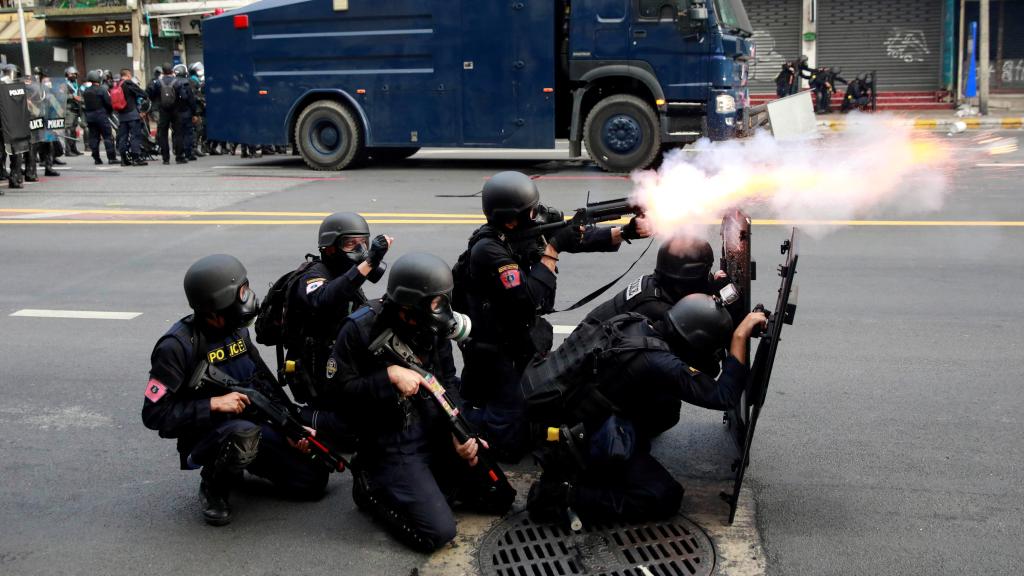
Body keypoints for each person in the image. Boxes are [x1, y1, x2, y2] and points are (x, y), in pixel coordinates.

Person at [524, 295, 767, 525]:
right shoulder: (658, 361)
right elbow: (723, 396)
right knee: (664, 497)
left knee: (666, 408)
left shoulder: (635, 321)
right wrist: (739, 336)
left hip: (562, 418)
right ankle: (563, 495)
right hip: (574, 440)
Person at [458, 170, 650, 460]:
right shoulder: (489, 250)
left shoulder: (519, 230)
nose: (536, 215)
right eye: (530, 211)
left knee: (530, 412)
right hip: (495, 351)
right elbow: (528, 298)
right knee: (509, 447)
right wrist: (553, 248)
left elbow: (575, 237)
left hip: (517, 338)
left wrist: (623, 231)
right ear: (510, 219)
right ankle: (466, 433)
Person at [327, 252, 512, 552]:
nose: (442, 308)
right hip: (392, 440)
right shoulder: (360, 330)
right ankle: (369, 486)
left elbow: (449, 381)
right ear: (407, 306)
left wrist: (460, 430)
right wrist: (387, 378)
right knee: (438, 533)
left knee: (499, 497)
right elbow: (337, 392)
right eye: (435, 301)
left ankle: (433, 484)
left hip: (434, 425)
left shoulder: (432, 326)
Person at [142, 254, 329, 526]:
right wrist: (214, 405)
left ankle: (247, 459)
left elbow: (264, 381)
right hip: (209, 434)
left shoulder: (236, 331)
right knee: (242, 434)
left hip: (252, 425)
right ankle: (214, 485)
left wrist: (292, 426)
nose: (248, 297)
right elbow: (154, 414)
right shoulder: (177, 346)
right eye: (240, 293)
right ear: (215, 307)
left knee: (313, 482)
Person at [279, 212, 390, 448]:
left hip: (346, 360)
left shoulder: (349, 275)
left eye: (364, 243)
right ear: (330, 248)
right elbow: (325, 298)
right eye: (351, 243)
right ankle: (300, 418)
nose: (360, 249)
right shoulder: (312, 275)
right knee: (355, 430)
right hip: (319, 369)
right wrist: (368, 262)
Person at [577, 236, 726, 331]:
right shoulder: (660, 311)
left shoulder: (655, 284)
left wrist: (710, 285)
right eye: (705, 274)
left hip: (584, 345)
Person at [149, 63, 186, 165]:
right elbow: (184, 96)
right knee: (178, 133)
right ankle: (179, 157)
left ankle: (166, 159)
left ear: (163, 72)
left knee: (163, 134)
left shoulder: (158, 82)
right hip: (176, 110)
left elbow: (151, 94)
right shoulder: (177, 82)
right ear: (172, 71)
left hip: (163, 111)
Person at [115, 69, 149, 166]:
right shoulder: (128, 83)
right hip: (132, 114)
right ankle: (136, 158)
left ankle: (123, 159)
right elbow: (142, 93)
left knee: (123, 137)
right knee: (135, 136)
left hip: (121, 115)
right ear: (128, 75)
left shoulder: (117, 84)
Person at [82, 70, 116, 165]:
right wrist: (109, 112)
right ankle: (111, 158)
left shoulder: (86, 91)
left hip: (90, 117)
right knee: (107, 137)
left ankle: (96, 158)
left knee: (94, 137)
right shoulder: (102, 90)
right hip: (101, 115)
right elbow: (108, 103)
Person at [172, 64, 199, 162]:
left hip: (175, 113)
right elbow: (191, 100)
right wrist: (194, 113)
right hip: (186, 112)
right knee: (188, 133)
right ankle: (188, 153)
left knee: (178, 134)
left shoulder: (172, 83)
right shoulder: (188, 83)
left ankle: (179, 152)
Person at [62, 67, 84, 156]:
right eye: (72, 74)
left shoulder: (75, 84)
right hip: (68, 109)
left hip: (75, 109)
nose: (74, 76)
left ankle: (73, 148)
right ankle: (68, 150)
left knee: (73, 130)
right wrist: (72, 96)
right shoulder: (63, 84)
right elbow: (61, 95)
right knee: (68, 130)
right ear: (67, 75)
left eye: (75, 74)